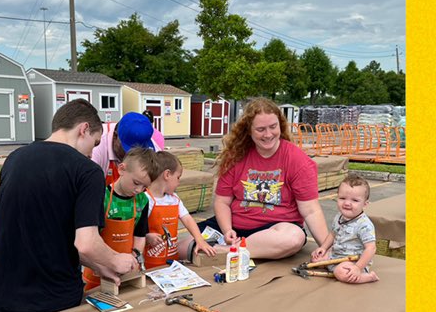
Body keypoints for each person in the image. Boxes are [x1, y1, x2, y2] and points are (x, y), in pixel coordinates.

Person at [0, 100, 138, 312]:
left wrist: (98, 266)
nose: (92, 154)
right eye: (94, 144)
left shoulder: (15, 158)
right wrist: (115, 260)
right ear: (83, 129)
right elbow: (86, 244)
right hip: (50, 299)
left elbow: (46, 237)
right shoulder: (87, 171)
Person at [199, 97, 328, 260]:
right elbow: (222, 202)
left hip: (275, 231)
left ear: (280, 125)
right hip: (235, 228)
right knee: (180, 245)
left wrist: (326, 248)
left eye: (273, 127)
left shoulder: (298, 160)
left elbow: (311, 210)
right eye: (260, 129)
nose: (268, 135)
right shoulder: (235, 157)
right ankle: (231, 249)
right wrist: (227, 230)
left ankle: (228, 252)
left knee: (293, 238)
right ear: (248, 130)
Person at [82, 147, 157, 291]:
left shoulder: (142, 201)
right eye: (136, 183)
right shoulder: (101, 198)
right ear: (122, 169)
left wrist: (134, 256)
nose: (138, 190)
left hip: (126, 271)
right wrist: (102, 264)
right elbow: (91, 238)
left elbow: (140, 235)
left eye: (144, 187)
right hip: (97, 269)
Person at [144, 150, 218, 268]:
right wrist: (146, 236)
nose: (179, 183)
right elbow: (134, 228)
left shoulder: (174, 199)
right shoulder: (145, 199)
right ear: (167, 175)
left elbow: (187, 219)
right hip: (149, 262)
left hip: (171, 260)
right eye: (178, 178)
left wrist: (200, 241)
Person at [310, 174, 379, 283]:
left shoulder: (364, 225)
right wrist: (323, 248)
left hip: (352, 261)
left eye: (355, 200)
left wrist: (358, 267)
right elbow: (333, 234)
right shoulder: (339, 216)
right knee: (315, 259)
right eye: (342, 198)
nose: (347, 203)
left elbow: (371, 248)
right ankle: (331, 266)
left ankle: (367, 277)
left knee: (341, 273)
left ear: (365, 204)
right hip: (335, 255)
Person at [91, 110, 162, 187]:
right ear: (115, 136)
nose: (131, 156)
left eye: (138, 153)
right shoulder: (96, 145)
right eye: (127, 150)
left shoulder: (151, 148)